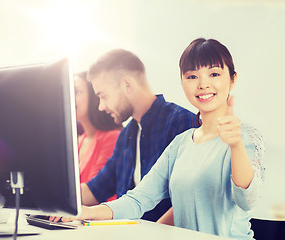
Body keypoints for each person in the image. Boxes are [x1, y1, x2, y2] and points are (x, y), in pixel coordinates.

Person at [73, 38, 266, 239]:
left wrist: (235, 146)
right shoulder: (180, 143)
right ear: (182, 82)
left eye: (214, 74)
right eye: (192, 76)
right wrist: (86, 212)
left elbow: (247, 199)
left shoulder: (246, 137)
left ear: (233, 79)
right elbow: (138, 199)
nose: (203, 84)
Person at [76, 49, 197, 222]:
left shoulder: (181, 122)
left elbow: (188, 202)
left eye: (103, 96)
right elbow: (96, 189)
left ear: (127, 85)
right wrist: (50, 199)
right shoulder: (127, 135)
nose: (101, 106)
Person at [74, 71, 122, 184]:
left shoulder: (112, 138)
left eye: (76, 91)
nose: (69, 98)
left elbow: (97, 190)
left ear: (94, 97)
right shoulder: (80, 141)